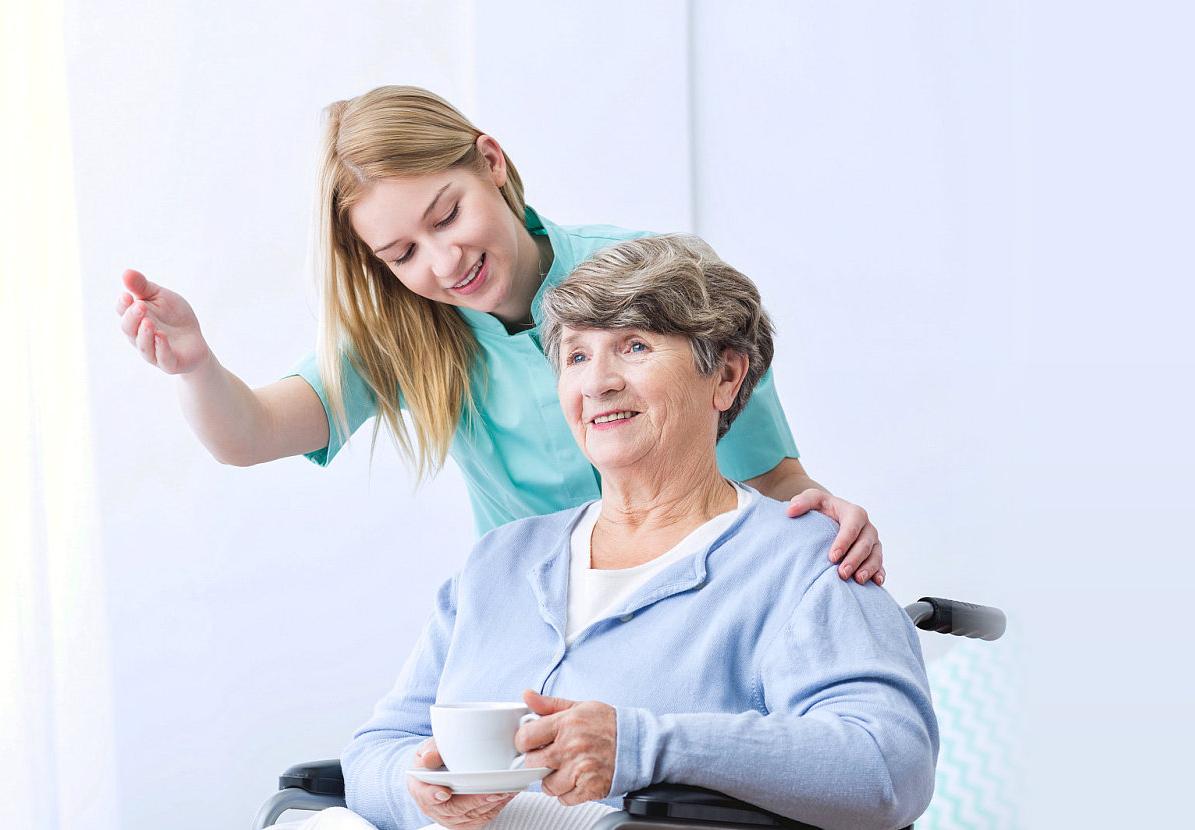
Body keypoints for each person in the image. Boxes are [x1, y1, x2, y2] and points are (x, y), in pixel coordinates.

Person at [116, 85, 886, 583]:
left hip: (699, 593)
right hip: (544, 618)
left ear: (492, 162)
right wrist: (194, 367)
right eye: (402, 254)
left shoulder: (656, 279)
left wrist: (833, 520)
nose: (444, 262)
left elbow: (774, 478)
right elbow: (248, 433)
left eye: (447, 214)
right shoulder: (410, 334)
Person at [338, 235, 936, 830]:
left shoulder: (807, 562)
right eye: (576, 356)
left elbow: (890, 766)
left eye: (634, 346)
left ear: (725, 376)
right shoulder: (498, 562)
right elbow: (378, 747)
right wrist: (418, 789)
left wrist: (640, 745)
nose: (598, 382)